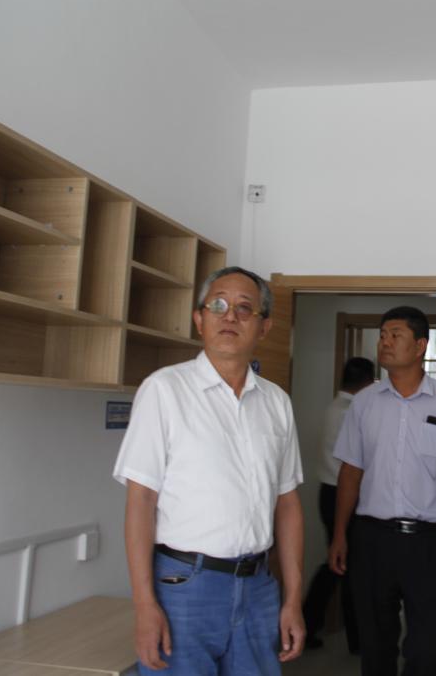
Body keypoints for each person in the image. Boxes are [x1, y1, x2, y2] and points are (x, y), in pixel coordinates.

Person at [113, 266, 305, 676]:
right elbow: (140, 501)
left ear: (264, 327)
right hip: (184, 587)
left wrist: (292, 599)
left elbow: (287, 504)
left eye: (244, 308)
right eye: (217, 305)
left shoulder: (276, 403)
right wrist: (144, 605)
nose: (229, 315)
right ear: (199, 319)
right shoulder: (164, 390)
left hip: (258, 587)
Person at [328, 305, 436, 676]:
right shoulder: (364, 402)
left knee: (428, 646)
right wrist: (340, 534)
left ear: (420, 346)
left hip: (428, 544)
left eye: (395, 335)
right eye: (382, 335)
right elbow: (351, 471)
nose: (385, 342)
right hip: (372, 540)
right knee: (375, 644)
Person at [302, 356, 375, 652]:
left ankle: (320, 627)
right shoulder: (350, 412)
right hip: (343, 495)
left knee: (342, 565)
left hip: (329, 494)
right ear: (367, 382)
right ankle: (340, 634)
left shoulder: (334, 407)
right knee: (344, 565)